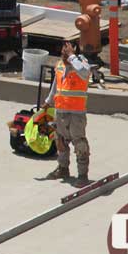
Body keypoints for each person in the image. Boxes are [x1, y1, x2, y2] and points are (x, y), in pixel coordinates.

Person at [40, 42, 92, 187]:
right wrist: (48, 101)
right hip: (61, 111)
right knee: (61, 141)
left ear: (73, 50)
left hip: (76, 113)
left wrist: (72, 57)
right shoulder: (60, 65)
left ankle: (82, 175)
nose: (63, 52)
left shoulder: (81, 63)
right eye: (62, 50)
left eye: (66, 49)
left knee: (79, 143)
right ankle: (63, 169)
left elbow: (85, 73)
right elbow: (56, 85)